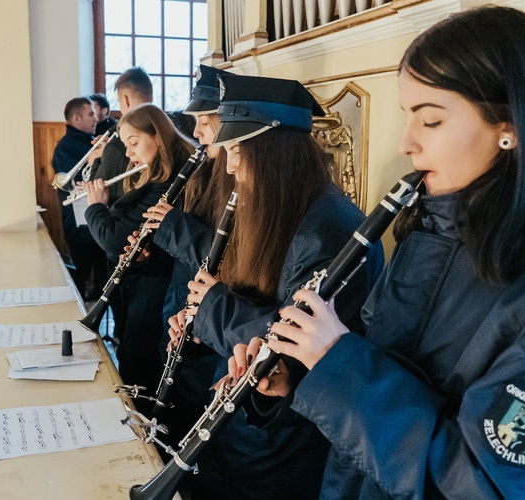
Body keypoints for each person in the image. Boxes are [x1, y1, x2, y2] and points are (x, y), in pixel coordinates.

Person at [229, 6, 525, 498]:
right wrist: (301, 372)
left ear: (511, 125)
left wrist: (338, 362)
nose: (406, 143)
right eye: (407, 117)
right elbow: (388, 369)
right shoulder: (426, 228)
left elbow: (484, 484)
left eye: (431, 120)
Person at [169, 73, 384, 499]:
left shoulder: (328, 232)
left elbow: (300, 345)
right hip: (249, 418)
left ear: (271, 152)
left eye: (235, 150)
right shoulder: (280, 207)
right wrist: (195, 328)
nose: (227, 165)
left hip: (285, 441)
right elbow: (253, 302)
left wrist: (212, 308)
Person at [140, 64, 234, 440]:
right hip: (182, 303)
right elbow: (188, 254)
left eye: (203, 123)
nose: (194, 133)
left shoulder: (234, 176)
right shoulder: (205, 169)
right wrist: (152, 249)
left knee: (191, 406)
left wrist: (172, 226)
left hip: (208, 327)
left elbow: (224, 257)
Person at [84, 103, 195, 409]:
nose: (129, 154)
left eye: (134, 143)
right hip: (148, 285)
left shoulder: (167, 183)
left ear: (158, 136)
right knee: (133, 360)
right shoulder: (155, 178)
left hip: (158, 294)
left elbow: (113, 239)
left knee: (139, 365)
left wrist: (95, 207)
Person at [51, 96, 104, 299]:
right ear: (76, 119)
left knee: (102, 275)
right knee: (81, 274)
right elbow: (75, 182)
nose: (96, 118)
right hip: (78, 224)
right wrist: (97, 159)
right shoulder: (65, 147)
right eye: (91, 114)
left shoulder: (90, 141)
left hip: (95, 219)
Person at [90, 67, 154, 205]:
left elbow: (95, 191)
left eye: (119, 102)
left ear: (125, 99)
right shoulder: (165, 129)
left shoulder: (116, 146)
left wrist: (97, 159)